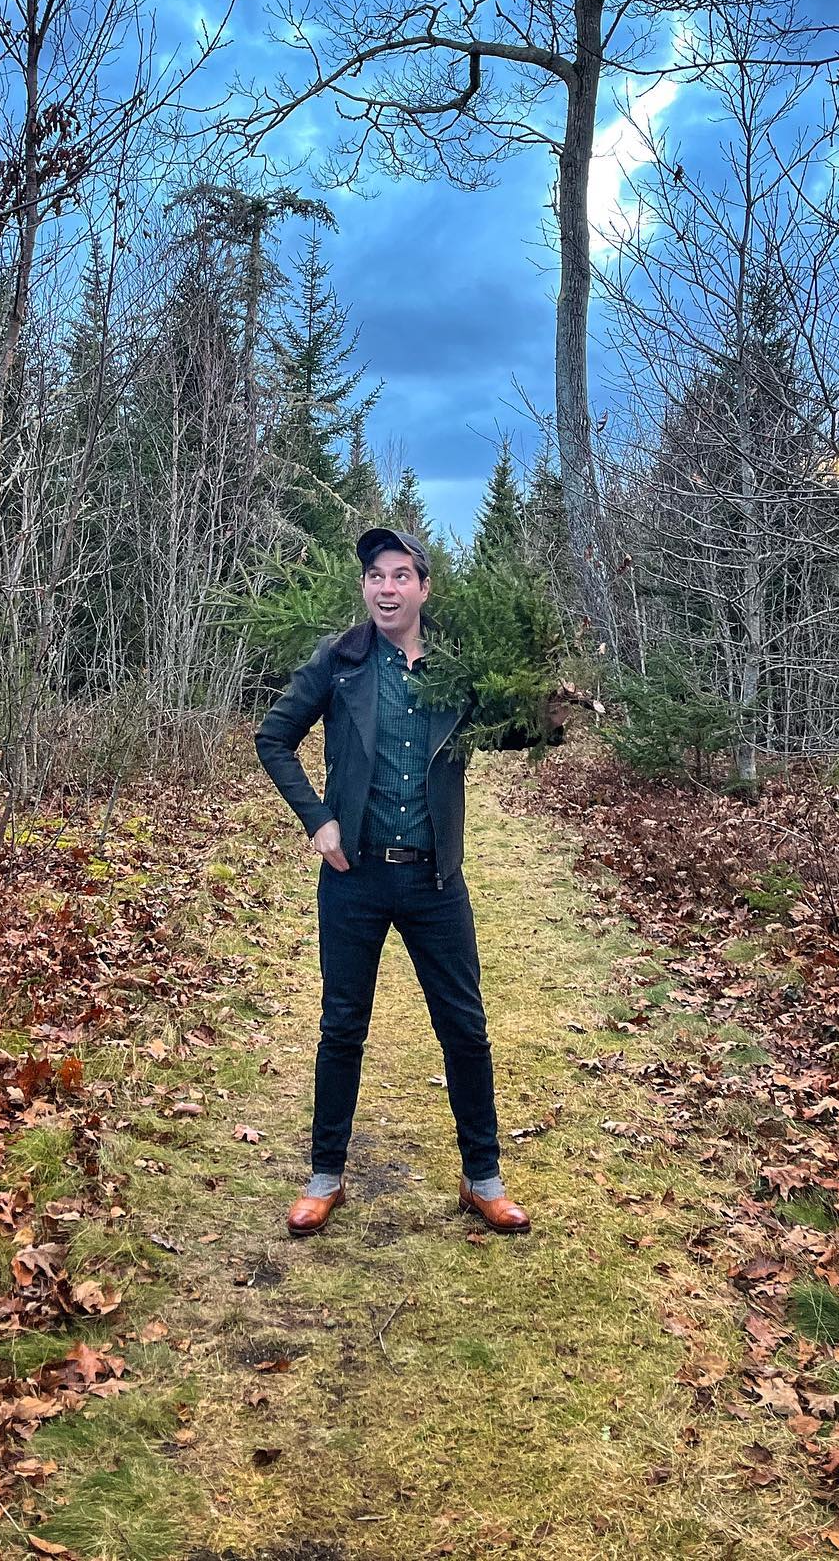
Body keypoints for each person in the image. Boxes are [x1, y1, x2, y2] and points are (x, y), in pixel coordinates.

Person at [254, 526, 535, 1238]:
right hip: (353, 879)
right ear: (365, 587)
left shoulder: (455, 664)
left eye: (401, 575)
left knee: (465, 1030)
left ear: (423, 586)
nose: (387, 587)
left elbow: (509, 724)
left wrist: (552, 705)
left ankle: (484, 1178)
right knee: (342, 1026)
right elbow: (273, 737)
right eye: (376, 575)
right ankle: (325, 1175)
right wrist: (317, 819)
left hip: (435, 880)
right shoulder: (340, 660)